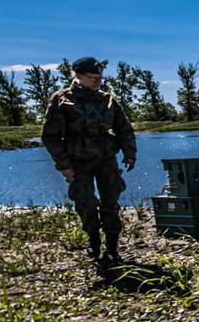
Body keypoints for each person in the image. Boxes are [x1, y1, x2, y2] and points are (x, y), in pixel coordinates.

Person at [41, 57, 137, 264]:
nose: (97, 82)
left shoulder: (107, 100)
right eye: (93, 78)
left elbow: (124, 128)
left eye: (100, 78)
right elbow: (50, 136)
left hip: (105, 158)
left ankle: (112, 248)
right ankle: (93, 239)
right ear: (78, 76)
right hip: (77, 160)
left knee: (110, 202)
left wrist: (129, 153)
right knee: (85, 202)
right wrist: (63, 165)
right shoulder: (62, 100)